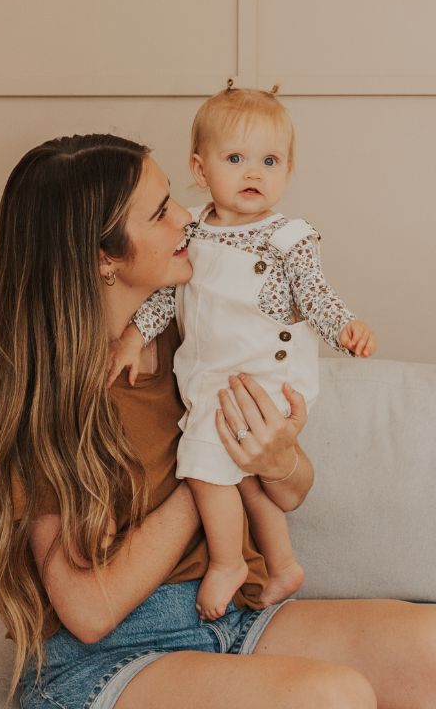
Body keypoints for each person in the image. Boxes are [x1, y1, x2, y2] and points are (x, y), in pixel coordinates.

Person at [0, 133, 436, 709]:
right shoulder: (50, 392)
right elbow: (89, 613)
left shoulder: (197, 328)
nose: (186, 218)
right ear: (103, 257)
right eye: (160, 213)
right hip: (108, 655)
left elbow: (290, 492)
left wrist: (276, 457)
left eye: (173, 198)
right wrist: (209, 471)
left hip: (234, 615)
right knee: (327, 697)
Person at [108, 84, 376, 621]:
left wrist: (345, 328)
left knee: (203, 467)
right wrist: (134, 337)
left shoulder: (287, 238)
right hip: (214, 376)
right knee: (244, 476)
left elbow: (315, 295)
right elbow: (167, 297)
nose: (254, 173)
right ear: (200, 168)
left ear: (289, 170)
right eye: (235, 159)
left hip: (258, 380)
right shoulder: (194, 232)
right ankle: (282, 564)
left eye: (269, 161)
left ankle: (228, 562)